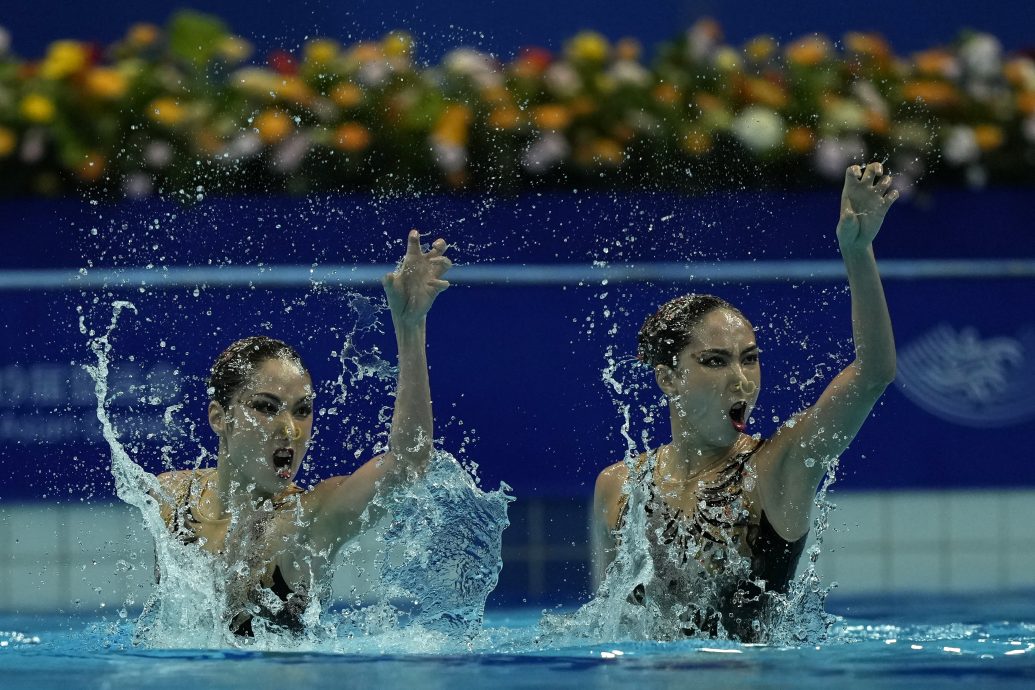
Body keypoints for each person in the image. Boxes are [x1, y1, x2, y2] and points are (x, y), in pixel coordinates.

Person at [591, 163, 899, 641]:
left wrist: (858, 253)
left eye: (750, 359)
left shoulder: (778, 468)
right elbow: (609, 625)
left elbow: (873, 374)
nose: (741, 380)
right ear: (669, 378)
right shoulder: (618, 486)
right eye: (715, 361)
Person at [151, 230, 451, 637]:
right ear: (220, 418)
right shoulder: (169, 498)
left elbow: (407, 463)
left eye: (303, 410)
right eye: (265, 407)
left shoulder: (306, 523)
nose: (290, 429)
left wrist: (410, 328)